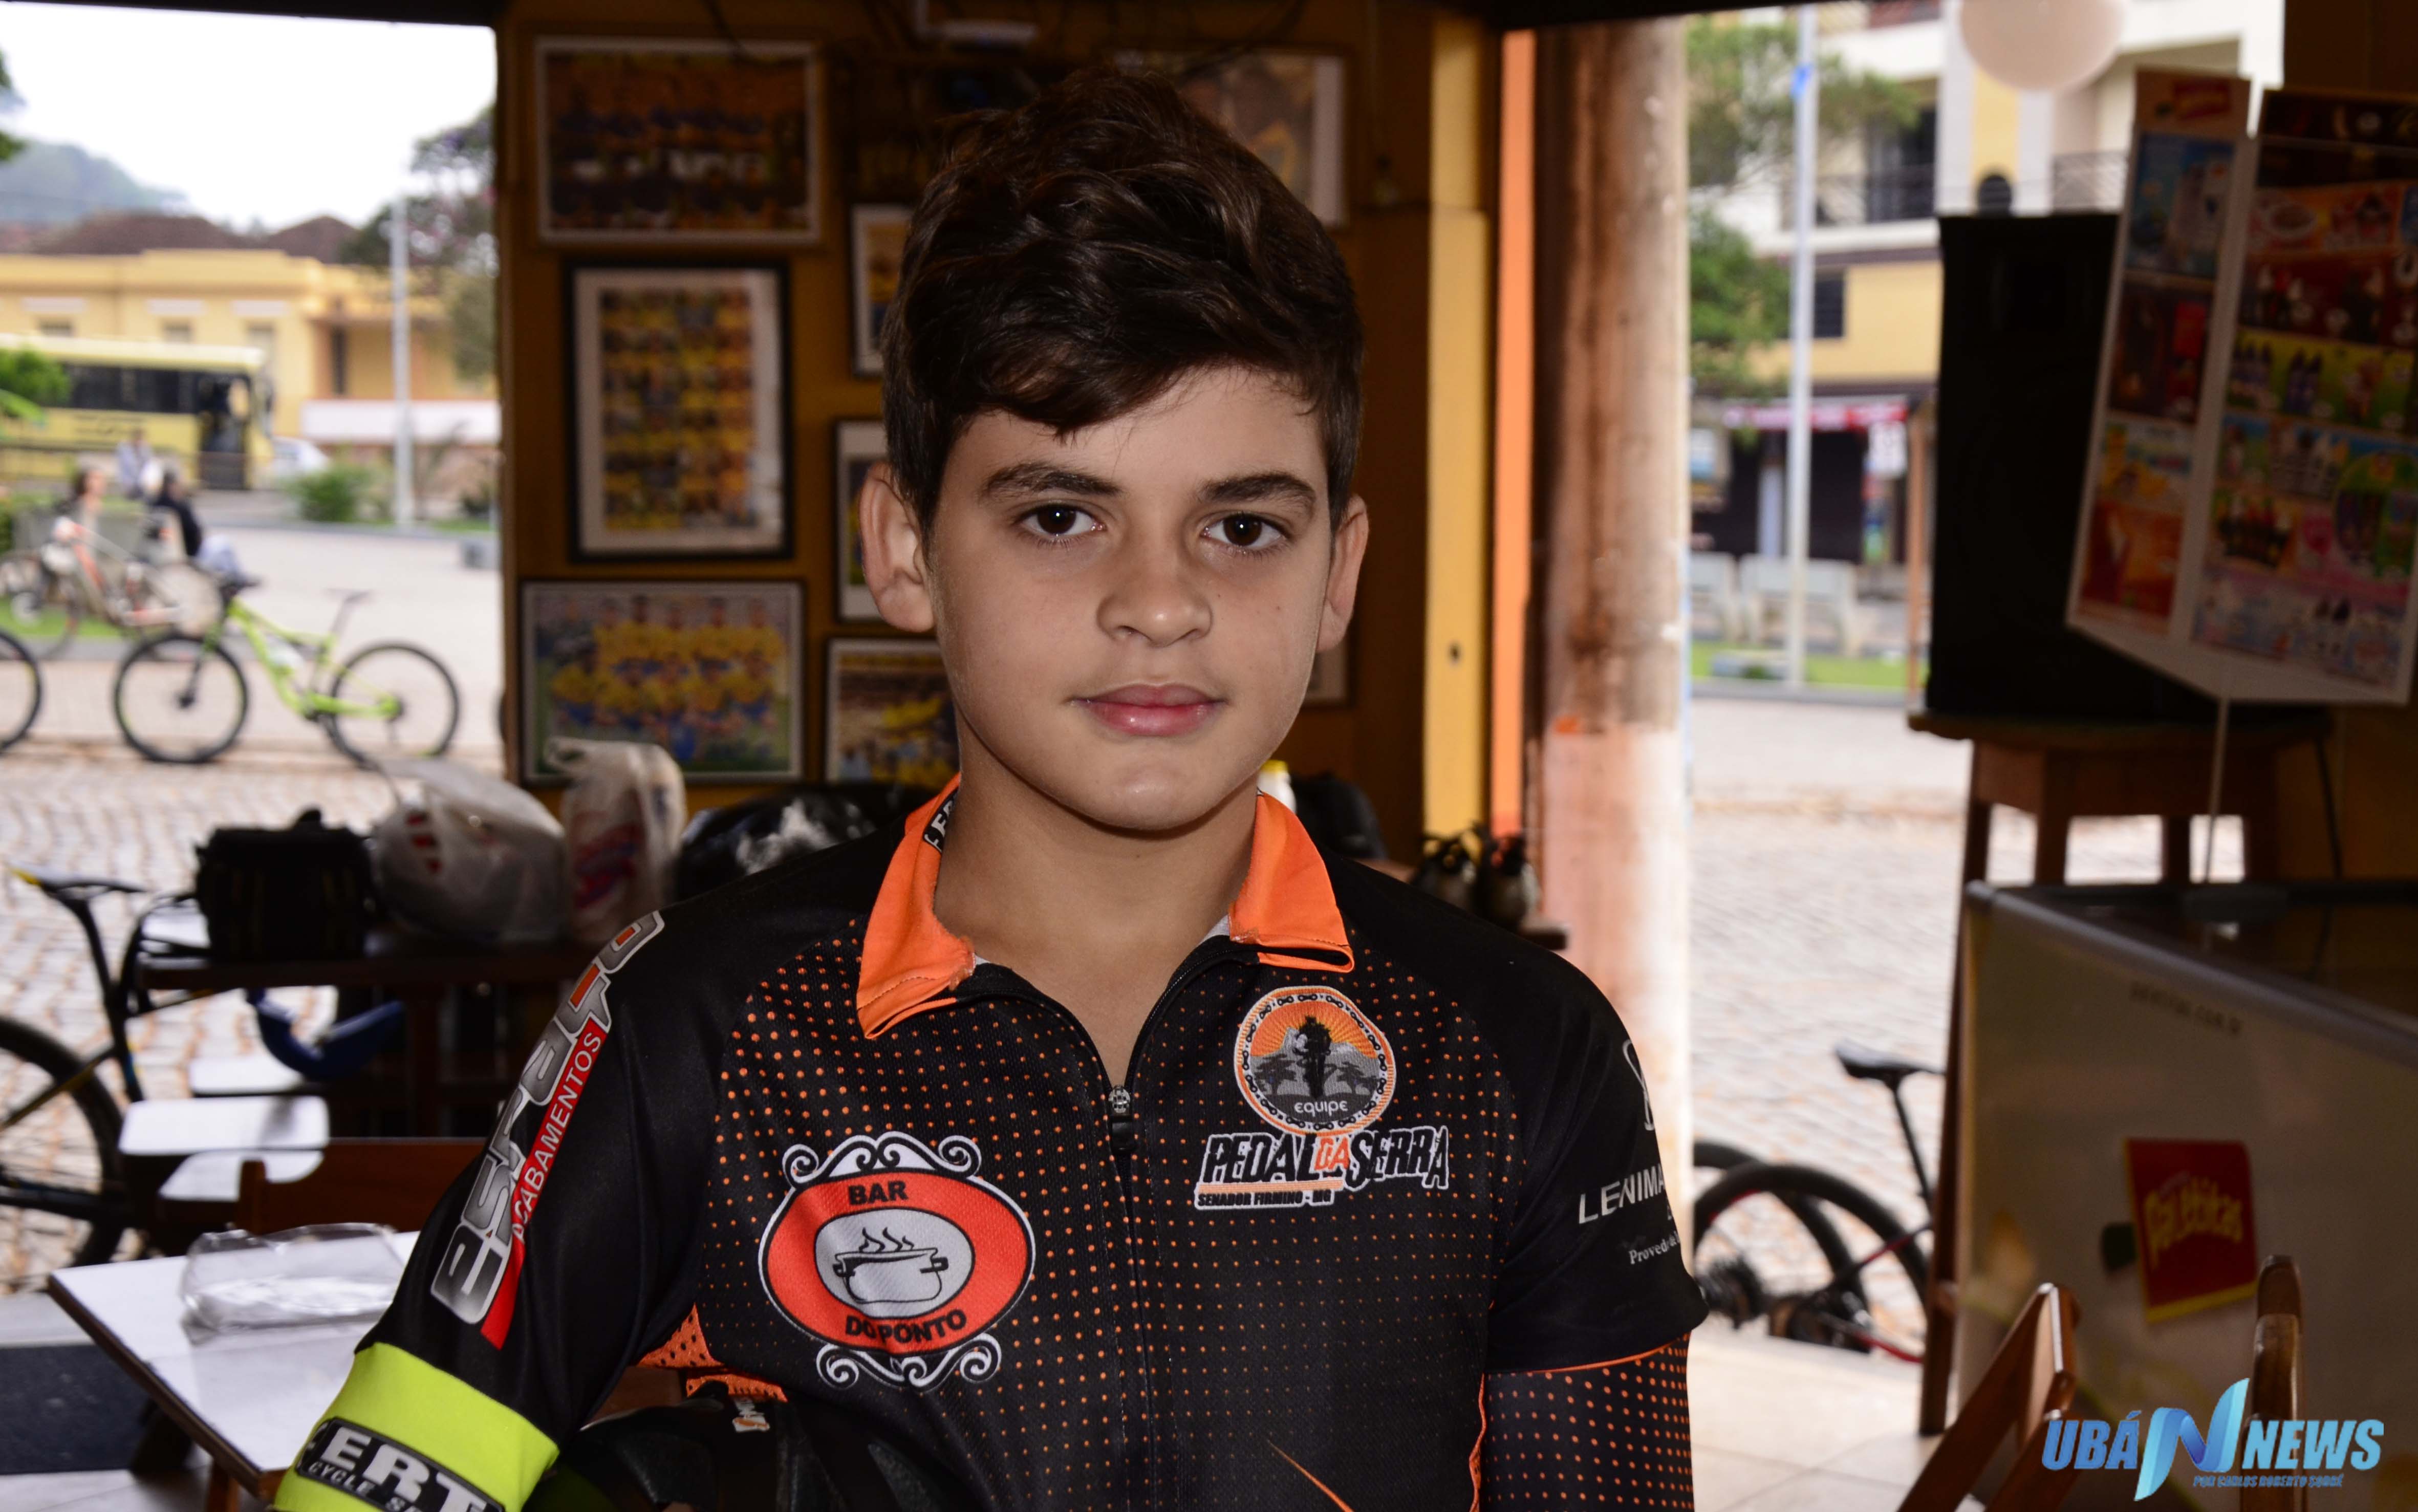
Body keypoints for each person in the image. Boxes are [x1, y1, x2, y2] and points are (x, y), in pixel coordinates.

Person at [272, 69, 1701, 1512]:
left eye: (1241, 527)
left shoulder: (1520, 1048)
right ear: (903, 549)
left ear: (1337, 571)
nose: (1159, 603)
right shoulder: (693, 1029)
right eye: (1061, 515)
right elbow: (377, 1484)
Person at [147, 467, 203, 559]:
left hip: (158, 550)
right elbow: (194, 531)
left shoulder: (154, 504)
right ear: (172, 486)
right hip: (185, 550)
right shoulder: (180, 506)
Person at [114, 427, 157, 501]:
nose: (139, 442)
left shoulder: (145, 449)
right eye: (138, 439)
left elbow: (149, 464)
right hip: (128, 481)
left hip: (142, 482)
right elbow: (128, 466)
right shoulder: (124, 449)